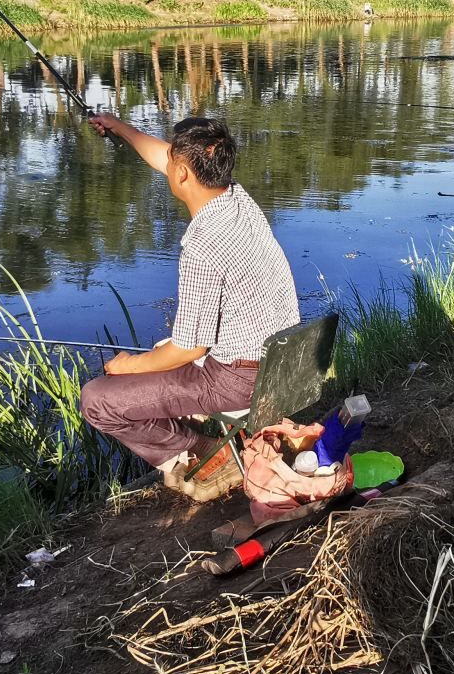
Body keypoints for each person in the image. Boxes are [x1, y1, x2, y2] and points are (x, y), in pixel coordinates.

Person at [79, 113, 301, 499]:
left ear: (182, 174)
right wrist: (119, 127)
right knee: (160, 352)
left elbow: (190, 349)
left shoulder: (202, 244)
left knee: (98, 399)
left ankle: (204, 451)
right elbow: (165, 155)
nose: (166, 167)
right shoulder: (237, 198)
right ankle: (214, 438)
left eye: (172, 165)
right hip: (282, 364)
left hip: (238, 381)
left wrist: (126, 365)